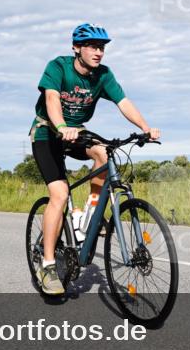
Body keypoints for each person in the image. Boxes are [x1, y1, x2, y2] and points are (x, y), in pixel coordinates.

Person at [29, 23, 160, 295]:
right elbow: (52, 98)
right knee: (60, 194)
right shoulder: (58, 67)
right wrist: (62, 126)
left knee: (103, 151)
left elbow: (123, 101)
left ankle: (90, 213)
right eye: (92, 47)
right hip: (47, 133)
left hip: (77, 133)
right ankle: (49, 265)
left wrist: (145, 128)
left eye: (101, 47)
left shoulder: (103, 75)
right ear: (77, 48)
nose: (98, 52)